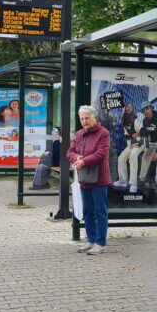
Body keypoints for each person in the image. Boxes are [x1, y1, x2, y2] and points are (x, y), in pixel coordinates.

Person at [67, 105, 111, 255]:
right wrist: (76, 157)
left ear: (94, 117)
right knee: (87, 210)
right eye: (82, 119)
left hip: (100, 179)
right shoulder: (79, 134)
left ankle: (101, 243)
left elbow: (101, 154)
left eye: (87, 118)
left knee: (100, 211)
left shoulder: (103, 133)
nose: (84, 121)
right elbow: (70, 152)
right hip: (84, 179)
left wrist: (83, 161)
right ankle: (91, 240)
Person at [114, 104, 143, 193]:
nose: (125, 112)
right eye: (125, 110)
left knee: (133, 155)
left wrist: (138, 138)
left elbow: (143, 132)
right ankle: (123, 180)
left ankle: (133, 183)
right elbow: (127, 136)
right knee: (121, 158)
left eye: (128, 109)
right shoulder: (125, 123)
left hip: (141, 143)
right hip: (131, 144)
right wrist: (131, 143)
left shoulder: (135, 120)